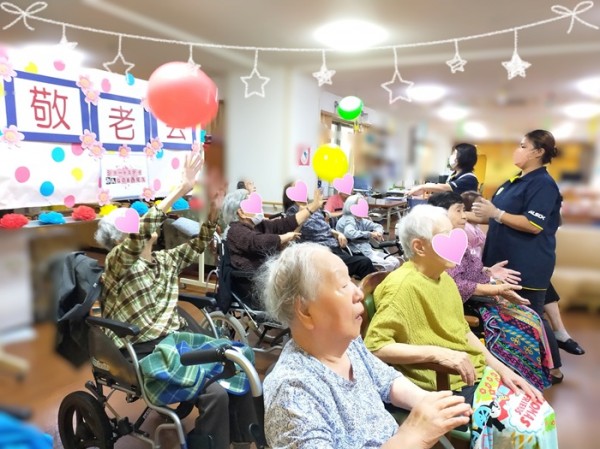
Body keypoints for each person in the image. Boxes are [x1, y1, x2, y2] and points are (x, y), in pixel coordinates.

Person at [95, 153, 255, 449]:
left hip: (175, 342)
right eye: (134, 223)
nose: (143, 225)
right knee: (215, 393)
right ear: (120, 239)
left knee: (238, 362)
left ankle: (246, 440)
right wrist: (182, 188)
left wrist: (214, 210)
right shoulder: (117, 263)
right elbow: (141, 233)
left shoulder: (165, 259)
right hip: (144, 351)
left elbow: (200, 242)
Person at [364, 205, 557, 448]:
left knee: (539, 408)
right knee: (528, 429)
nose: (458, 243)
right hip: (440, 382)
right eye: (445, 236)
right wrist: (437, 354)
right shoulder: (401, 287)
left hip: (472, 372)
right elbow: (374, 347)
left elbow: (462, 330)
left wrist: (502, 369)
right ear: (419, 247)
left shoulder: (444, 278)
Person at [257, 242, 473, 449]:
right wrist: (411, 436)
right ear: (305, 311)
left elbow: (386, 380)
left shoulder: (347, 344)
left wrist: (428, 402)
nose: (359, 293)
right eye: (343, 285)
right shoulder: (292, 392)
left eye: (351, 281)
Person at [428, 191, 553, 390]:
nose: (464, 216)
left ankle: (529, 380)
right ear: (440, 214)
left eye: (464, 210)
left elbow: (469, 271)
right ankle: (516, 381)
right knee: (525, 326)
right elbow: (454, 285)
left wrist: (489, 272)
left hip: (478, 298)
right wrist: (495, 289)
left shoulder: (456, 238)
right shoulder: (436, 243)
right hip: (465, 305)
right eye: (458, 211)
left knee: (532, 317)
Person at [472, 129, 564, 383]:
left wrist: (497, 213)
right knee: (509, 319)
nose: (517, 150)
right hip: (501, 263)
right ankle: (517, 366)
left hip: (525, 264)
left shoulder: (543, 184)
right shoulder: (515, 181)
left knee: (529, 318)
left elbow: (533, 224)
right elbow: (496, 215)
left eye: (523, 146)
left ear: (538, 152)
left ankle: (547, 372)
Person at [463, 191, 585, 357]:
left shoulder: (474, 227)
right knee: (536, 312)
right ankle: (559, 335)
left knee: (541, 287)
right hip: (481, 272)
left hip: (485, 268)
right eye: (480, 203)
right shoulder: (463, 229)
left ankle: (559, 332)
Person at [221, 187, 323, 307]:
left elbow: (285, 223)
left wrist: (312, 207)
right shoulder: (235, 231)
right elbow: (257, 242)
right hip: (251, 282)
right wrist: (283, 237)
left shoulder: (258, 225)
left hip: (265, 275)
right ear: (241, 213)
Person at [283, 182, 376, 280]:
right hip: (320, 252)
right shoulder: (292, 211)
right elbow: (293, 235)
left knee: (365, 258)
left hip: (334, 247)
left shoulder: (313, 207)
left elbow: (324, 227)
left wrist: (338, 233)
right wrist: (303, 214)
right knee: (364, 263)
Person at [336, 194, 400, 271]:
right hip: (357, 252)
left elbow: (377, 226)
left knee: (396, 262)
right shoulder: (348, 219)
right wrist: (370, 234)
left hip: (368, 250)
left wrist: (378, 232)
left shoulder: (360, 220)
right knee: (389, 264)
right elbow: (350, 233)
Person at [409, 143, 479, 196]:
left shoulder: (469, 178)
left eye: (454, 154)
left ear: (463, 158)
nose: (451, 157)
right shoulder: (455, 175)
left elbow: (446, 188)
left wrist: (422, 187)